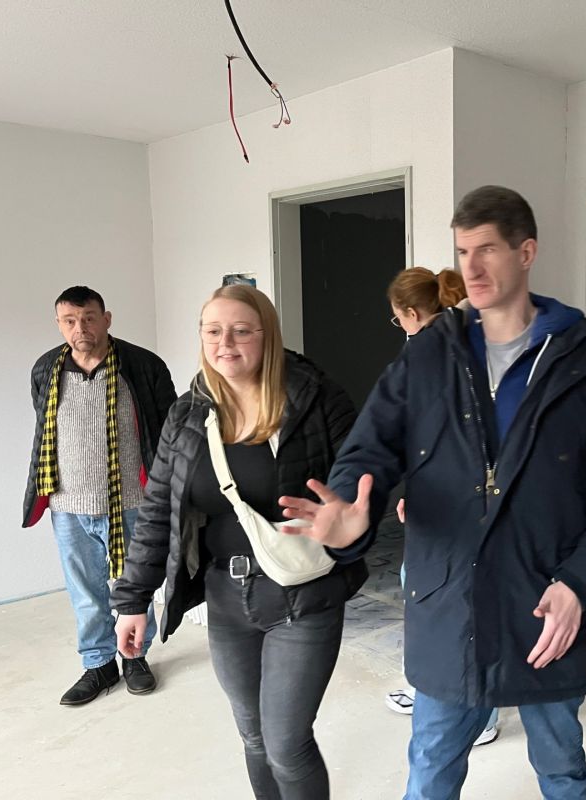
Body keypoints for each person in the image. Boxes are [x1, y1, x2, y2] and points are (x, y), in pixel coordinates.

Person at [281, 185, 586, 799]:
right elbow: (371, 447)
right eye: (462, 251)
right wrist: (351, 508)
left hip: (547, 608)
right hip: (449, 603)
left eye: (488, 249)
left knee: (561, 767)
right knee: (431, 766)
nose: (472, 268)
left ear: (526, 252)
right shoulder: (431, 354)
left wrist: (580, 585)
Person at [111, 285, 366, 799]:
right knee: (253, 737)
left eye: (241, 331)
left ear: (267, 336)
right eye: (212, 331)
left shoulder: (316, 399)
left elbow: (362, 483)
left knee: (287, 745)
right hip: (226, 598)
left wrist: (352, 524)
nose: (224, 343)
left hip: (301, 597)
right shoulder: (188, 413)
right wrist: (132, 600)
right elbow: (158, 508)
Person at [23, 285, 175, 705]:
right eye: (70, 321)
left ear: (106, 319)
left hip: (132, 502)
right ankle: (99, 664)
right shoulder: (46, 369)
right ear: (59, 324)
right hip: (68, 505)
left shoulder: (142, 366)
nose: (80, 328)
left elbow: (169, 430)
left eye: (89, 318)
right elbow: (45, 429)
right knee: (86, 592)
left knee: (133, 586)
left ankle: (135, 657)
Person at [382, 267, 499, 746]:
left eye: (398, 319)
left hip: (464, 502)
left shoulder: (440, 355)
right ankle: (434, 687)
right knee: (430, 590)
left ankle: (477, 713)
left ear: (412, 313)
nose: (401, 327)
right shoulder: (462, 347)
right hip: (451, 496)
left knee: (460, 598)